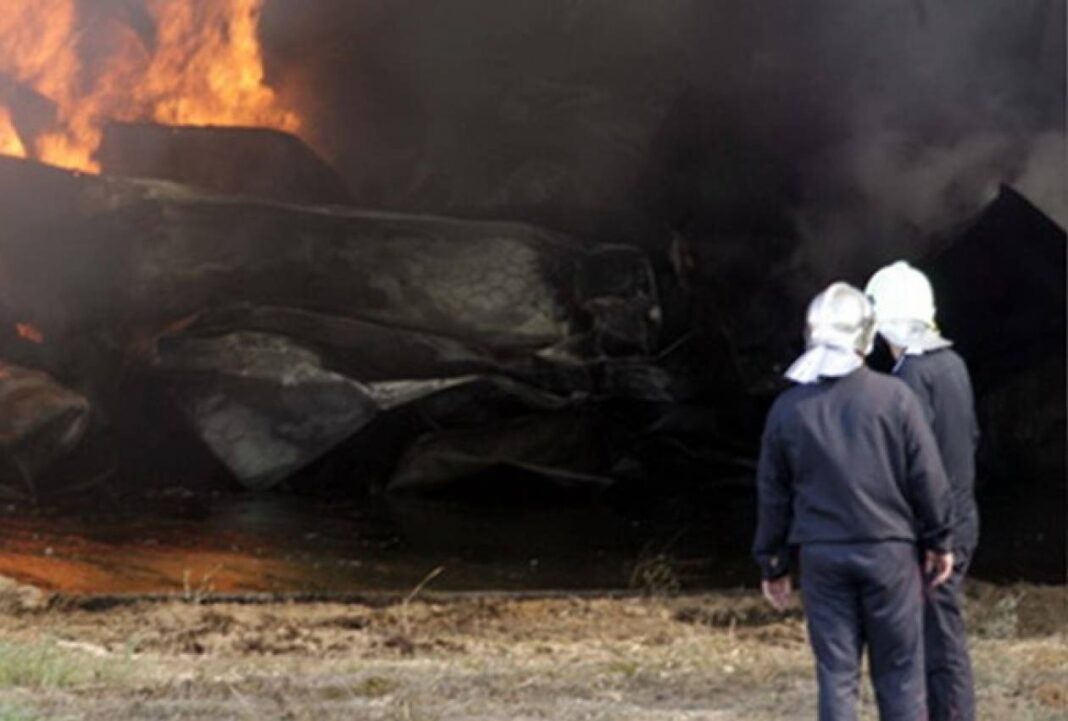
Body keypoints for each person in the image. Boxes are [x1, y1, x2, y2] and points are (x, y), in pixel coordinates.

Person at [753, 281, 955, 721]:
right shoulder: (896, 398)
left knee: (837, 677)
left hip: (822, 557)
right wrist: (940, 540)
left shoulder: (788, 409)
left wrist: (773, 562)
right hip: (889, 554)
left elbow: (773, 494)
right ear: (866, 336)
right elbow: (928, 478)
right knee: (901, 677)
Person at [866, 260, 979, 721]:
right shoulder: (951, 364)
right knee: (941, 633)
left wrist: (930, 533)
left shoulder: (911, 377)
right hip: (960, 513)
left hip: (938, 527)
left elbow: (914, 463)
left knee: (938, 641)